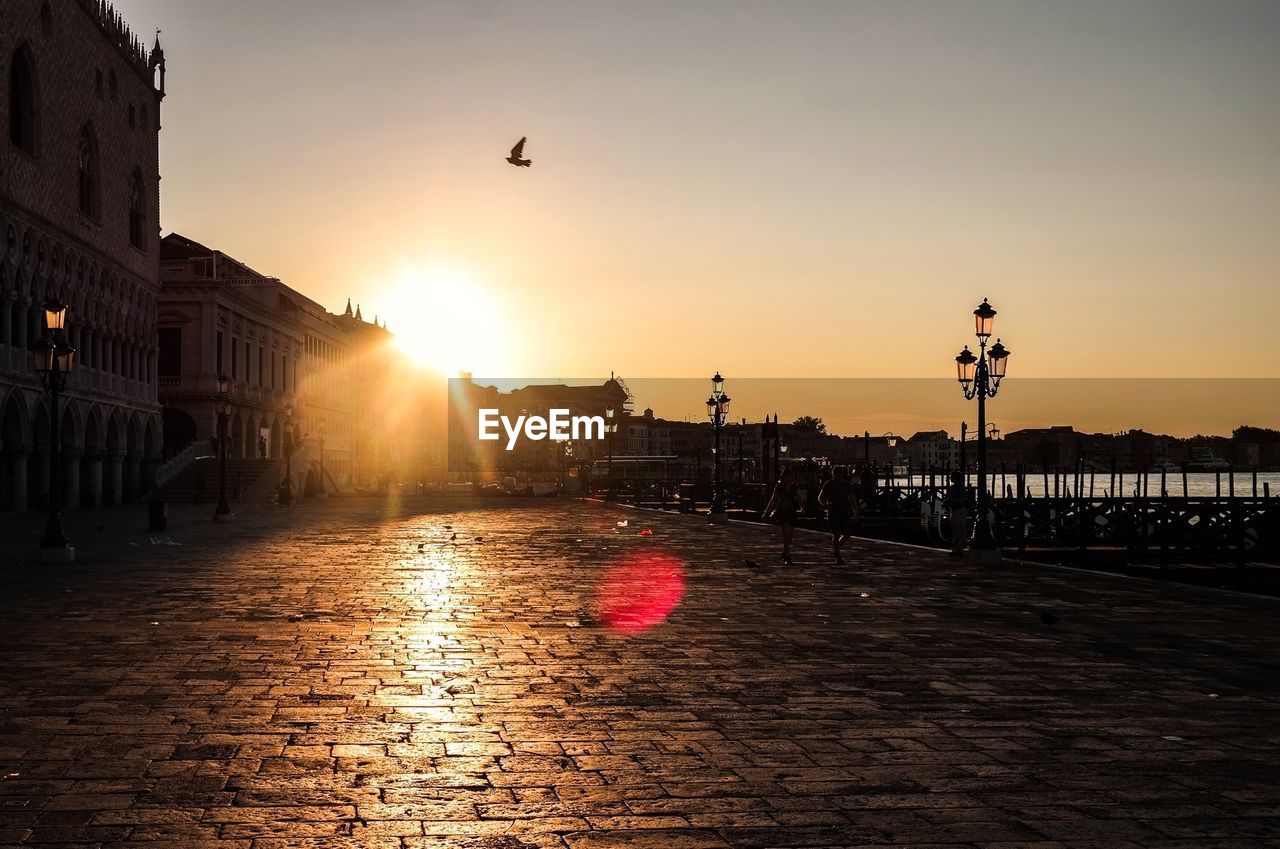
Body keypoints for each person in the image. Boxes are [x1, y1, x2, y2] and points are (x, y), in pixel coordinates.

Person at [818, 465, 858, 565]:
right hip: (833, 512)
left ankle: (836, 547)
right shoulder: (829, 484)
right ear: (833, 474)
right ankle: (837, 556)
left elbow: (851, 499)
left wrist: (856, 511)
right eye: (836, 473)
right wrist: (825, 505)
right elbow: (821, 497)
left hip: (844, 511)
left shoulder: (846, 484)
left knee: (847, 535)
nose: (837, 475)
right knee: (836, 534)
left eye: (839, 473)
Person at [762, 468, 801, 565]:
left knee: (790, 536)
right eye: (786, 476)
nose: (788, 478)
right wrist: (766, 512)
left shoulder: (794, 487)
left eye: (789, 476)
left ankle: (785, 552)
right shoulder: (779, 487)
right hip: (782, 512)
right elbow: (773, 500)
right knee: (786, 533)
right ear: (783, 477)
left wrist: (802, 507)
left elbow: (799, 497)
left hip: (791, 511)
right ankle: (787, 556)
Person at [945, 472, 969, 556]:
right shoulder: (957, 487)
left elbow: (960, 500)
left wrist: (949, 501)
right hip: (956, 510)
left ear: (955, 478)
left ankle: (959, 549)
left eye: (951, 477)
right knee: (956, 530)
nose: (950, 478)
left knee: (959, 530)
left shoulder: (958, 487)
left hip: (958, 510)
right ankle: (957, 548)